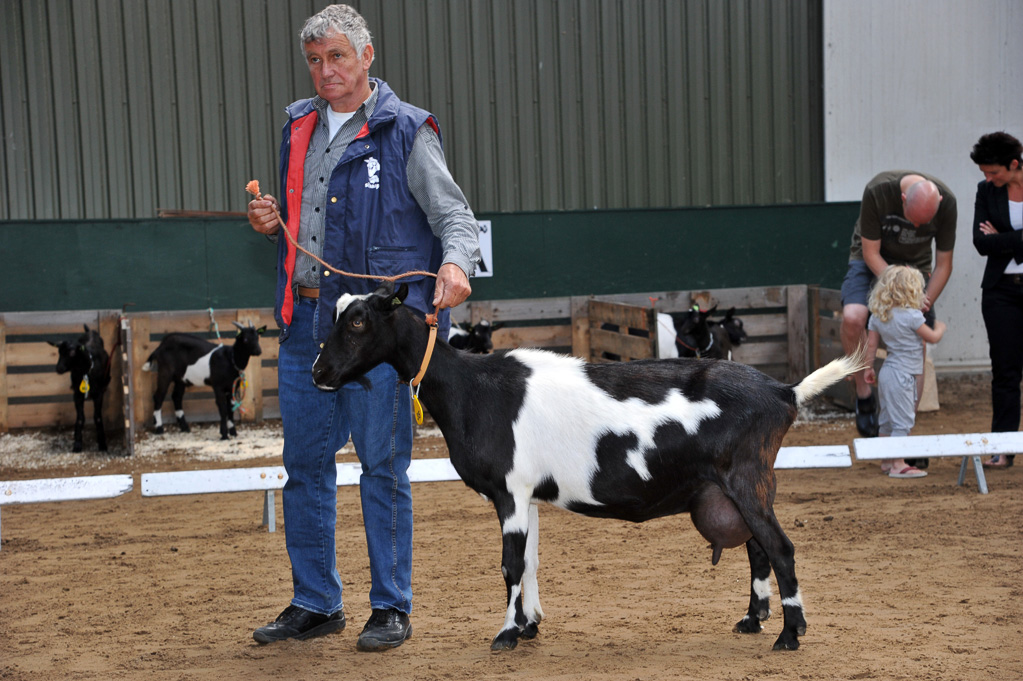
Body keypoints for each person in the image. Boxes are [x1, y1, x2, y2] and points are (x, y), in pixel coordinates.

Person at [246, 4, 480, 650]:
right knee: (306, 467)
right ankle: (315, 600)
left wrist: (455, 263)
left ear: (367, 56)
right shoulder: (297, 127)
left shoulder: (406, 130)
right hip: (306, 327)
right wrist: (274, 223)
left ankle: (389, 605)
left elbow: (454, 217)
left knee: (382, 466)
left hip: (374, 337)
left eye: (337, 58)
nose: (326, 72)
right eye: (315, 61)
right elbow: (306, 223)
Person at [839, 170, 957, 445]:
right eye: (913, 220)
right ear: (902, 199)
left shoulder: (948, 203)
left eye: (924, 223)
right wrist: (897, 287)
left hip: (916, 271)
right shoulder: (878, 191)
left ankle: (904, 433)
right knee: (853, 317)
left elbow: (944, 265)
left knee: (919, 342)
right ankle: (863, 394)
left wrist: (921, 300)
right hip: (872, 261)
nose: (917, 228)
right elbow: (870, 253)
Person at [970, 131, 1023, 469]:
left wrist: (1003, 238)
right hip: (1000, 292)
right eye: (985, 173)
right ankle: (1003, 447)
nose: (989, 179)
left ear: (1014, 164)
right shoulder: (985, 191)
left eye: (994, 172)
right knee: (1005, 372)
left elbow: (994, 242)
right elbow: (981, 243)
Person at [863, 266, 947, 478]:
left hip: (887, 372)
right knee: (903, 421)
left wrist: (868, 368)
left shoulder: (878, 315)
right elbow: (932, 337)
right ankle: (898, 464)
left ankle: (886, 460)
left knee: (887, 420)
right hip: (904, 375)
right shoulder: (912, 317)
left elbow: (871, 346)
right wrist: (940, 327)